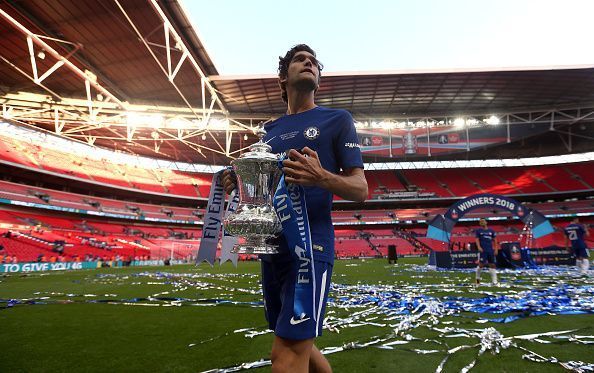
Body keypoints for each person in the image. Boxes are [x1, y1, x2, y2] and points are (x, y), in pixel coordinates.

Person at [222, 44, 367, 373]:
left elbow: (361, 189)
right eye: (301, 60)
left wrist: (322, 177)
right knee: (298, 342)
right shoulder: (269, 133)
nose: (310, 63)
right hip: (272, 249)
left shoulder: (337, 120)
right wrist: (240, 183)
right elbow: (264, 191)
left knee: (285, 353)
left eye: (314, 62)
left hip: (310, 248)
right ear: (282, 78)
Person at [475, 218, 499, 285]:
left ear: (486, 222)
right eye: (480, 222)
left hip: (490, 250)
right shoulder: (478, 231)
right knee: (481, 265)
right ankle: (477, 279)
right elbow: (477, 239)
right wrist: (479, 247)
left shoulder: (491, 230)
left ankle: (494, 281)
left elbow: (495, 240)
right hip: (483, 250)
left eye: (483, 221)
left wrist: (496, 249)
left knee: (492, 265)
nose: (482, 222)